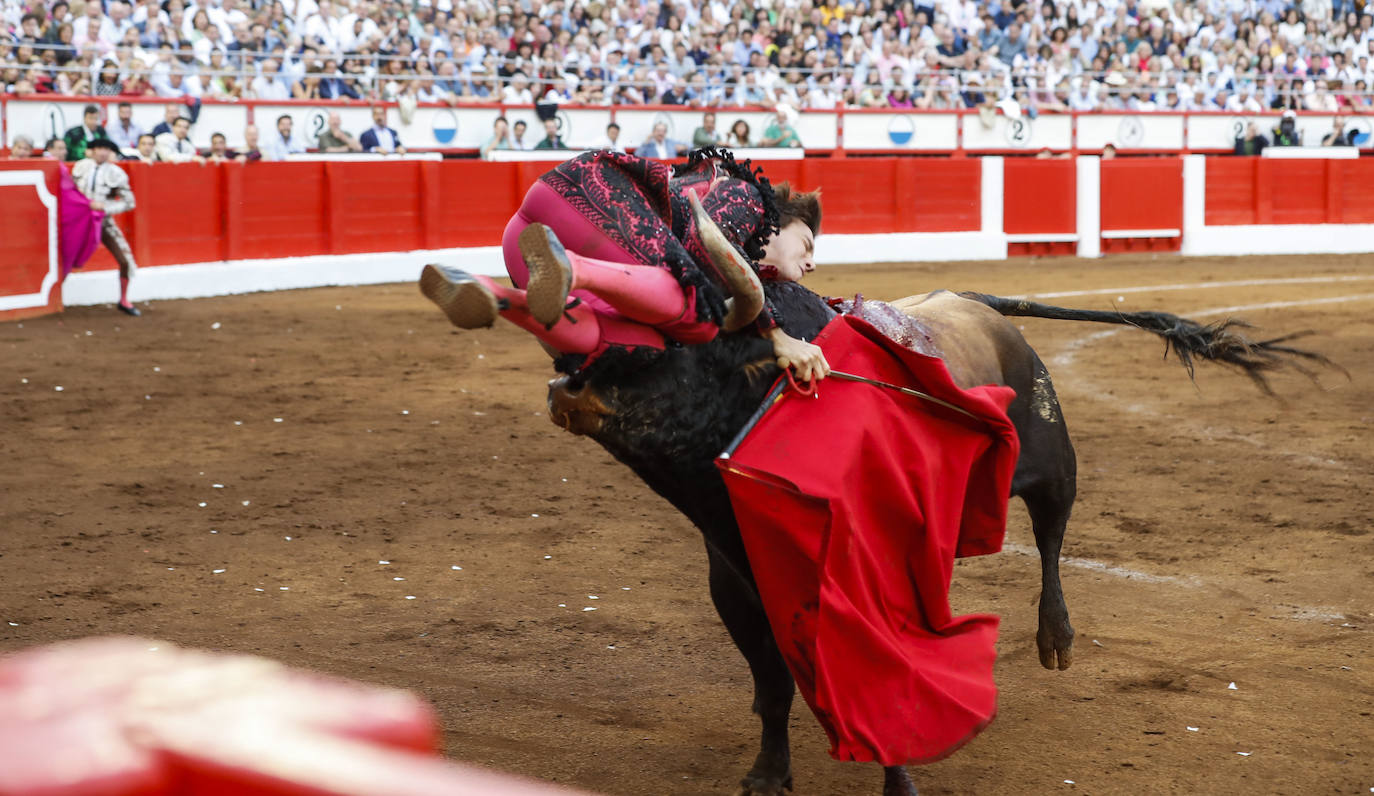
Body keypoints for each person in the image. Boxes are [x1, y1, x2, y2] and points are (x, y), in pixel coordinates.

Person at [419, 150, 829, 383]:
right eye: (807, 243)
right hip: (593, 202)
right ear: (784, 217)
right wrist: (773, 331)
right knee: (698, 313)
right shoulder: (750, 198)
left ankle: (497, 297)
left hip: (528, 236)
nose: (810, 263)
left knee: (614, 340)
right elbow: (701, 249)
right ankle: (572, 269)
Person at [71, 138, 141, 316]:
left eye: (106, 149)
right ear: (92, 150)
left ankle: (124, 300)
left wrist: (105, 207)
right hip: (78, 221)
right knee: (61, 256)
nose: (103, 152)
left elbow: (129, 202)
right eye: (99, 148)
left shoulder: (117, 174)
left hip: (103, 222)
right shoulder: (79, 167)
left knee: (124, 261)